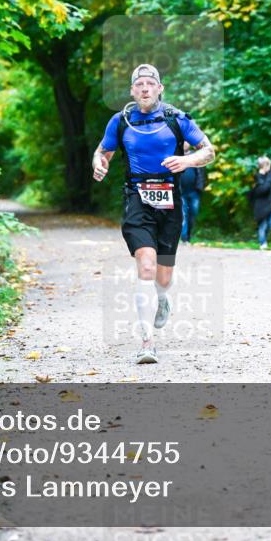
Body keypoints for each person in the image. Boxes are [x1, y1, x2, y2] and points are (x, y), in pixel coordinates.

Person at [92, 64, 216, 364]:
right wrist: (98, 163)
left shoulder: (176, 119)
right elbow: (102, 152)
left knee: (163, 276)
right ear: (132, 90)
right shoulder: (121, 121)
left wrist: (186, 162)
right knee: (145, 268)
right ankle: (147, 342)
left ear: (159, 88)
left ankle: (162, 299)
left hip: (170, 201)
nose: (145, 88)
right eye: (139, 84)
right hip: (137, 199)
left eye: (150, 83)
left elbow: (208, 151)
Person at [248, 156, 271, 250]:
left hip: (270, 204)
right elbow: (263, 189)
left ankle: (264, 240)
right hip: (260, 206)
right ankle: (262, 243)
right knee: (263, 225)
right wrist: (267, 180)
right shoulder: (257, 177)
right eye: (268, 165)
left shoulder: (270, 175)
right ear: (264, 166)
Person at [178, 143, 207, 243]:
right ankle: (184, 238)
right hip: (181, 192)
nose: (185, 144)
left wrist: (201, 186)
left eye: (186, 142)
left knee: (193, 214)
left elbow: (202, 173)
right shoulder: (177, 156)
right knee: (184, 214)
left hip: (194, 191)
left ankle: (188, 236)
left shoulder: (195, 156)